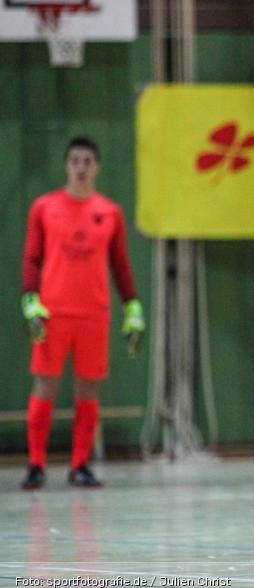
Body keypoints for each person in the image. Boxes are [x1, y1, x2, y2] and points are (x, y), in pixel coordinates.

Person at [20, 136, 145, 490]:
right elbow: (31, 257)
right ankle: (35, 465)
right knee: (45, 385)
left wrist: (132, 307)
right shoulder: (44, 208)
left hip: (94, 314)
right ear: (66, 165)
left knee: (88, 390)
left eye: (87, 160)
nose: (81, 167)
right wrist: (30, 299)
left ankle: (79, 465)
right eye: (74, 160)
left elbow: (120, 265)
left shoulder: (110, 213)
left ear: (97, 166)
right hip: (53, 313)